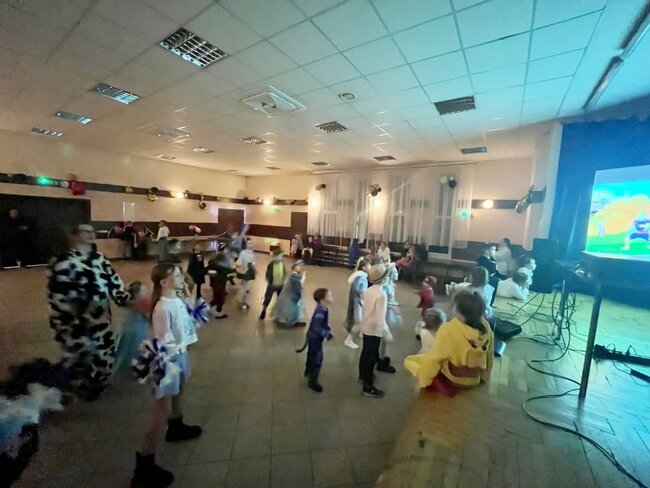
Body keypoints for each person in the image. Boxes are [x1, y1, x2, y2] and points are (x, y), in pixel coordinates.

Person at [131, 264, 202, 488]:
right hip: (169, 361)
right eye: (177, 275)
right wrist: (169, 369)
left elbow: (187, 318)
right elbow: (163, 342)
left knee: (180, 392)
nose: (182, 277)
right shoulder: (162, 308)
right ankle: (144, 467)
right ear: (163, 282)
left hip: (180, 355)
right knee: (160, 413)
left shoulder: (176, 300)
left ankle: (176, 426)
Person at [47, 224, 130, 400]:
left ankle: (96, 382)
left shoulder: (99, 258)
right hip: (74, 315)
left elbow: (114, 282)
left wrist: (126, 300)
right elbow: (57, 293)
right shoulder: (63, 262)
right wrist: (68, 317)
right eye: (86, 231)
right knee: (79, 351)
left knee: (104, 350)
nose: (91, 234)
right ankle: (75, 384)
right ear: (74, 235)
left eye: (93, 231)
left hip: (99, 313)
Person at [404, 292, 494, 396]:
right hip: (475, 379)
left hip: (454, 378)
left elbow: (434, 359)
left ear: (461, 315)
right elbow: (489, 355)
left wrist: (424, 381)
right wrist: (485, 377)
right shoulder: (486, 327)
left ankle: (436, 382)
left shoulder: (448, 330)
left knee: (410, 360)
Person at [358, 263, 394, 398]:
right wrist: (387, 332)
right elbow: (380, 318)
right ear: (383, 279)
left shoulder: (368, 291)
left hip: (366, 326)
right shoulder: (381, 295)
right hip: (374, 330)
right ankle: (368, 387)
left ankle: (362, 376)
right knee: (371, 357)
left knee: (365, 353)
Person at [296, 288, 334, 393]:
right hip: (315, 338)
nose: (332, 298)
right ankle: (312, 382)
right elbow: (317, 327)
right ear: (322, 300)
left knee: (311, 355)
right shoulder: (320, 311)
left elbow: (321, 324)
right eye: (329, 296)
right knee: (317, 359)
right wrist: (327, 334)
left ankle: (308, 371)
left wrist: (326, 327)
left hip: (313, 337)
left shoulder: (323, 308)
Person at [114, 281, 150, 375]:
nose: (146, 292)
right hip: (138, 330)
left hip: (126, 329)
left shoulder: (126, 302)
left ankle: (118, 367)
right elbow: (148, 317)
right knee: (136, 348)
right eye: (143, 291)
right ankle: (133, 368)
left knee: (123, 348)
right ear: (138, 294)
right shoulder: (142, 303)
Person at [344, 258, 370, 349]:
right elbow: (356, 288)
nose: (370, 267)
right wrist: (362, 294)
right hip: (357, 302)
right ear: (364, 267)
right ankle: (349, 339)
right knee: (358, 321)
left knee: (360, 318)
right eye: (368, 265)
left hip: (358, 301)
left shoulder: (361, 275)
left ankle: (359, 332)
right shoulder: (360, 276)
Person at [272, 260, 307, 327]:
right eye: (298, 266)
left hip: (287, 294)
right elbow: (297, 286)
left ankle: (284, 320)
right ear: (294, 267)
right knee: (291, 308)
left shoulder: (293, 275)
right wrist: (303, 278)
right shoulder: (294, 276)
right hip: (290, 296)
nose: (299, 268)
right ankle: (288, 322)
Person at [259, 248, 287, 320]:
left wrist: (284, 279)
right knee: (267, 298)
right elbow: (268, 274)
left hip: (280, 284)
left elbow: (284, 271)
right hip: (272, 284)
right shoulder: (271, 264)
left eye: (281, 256)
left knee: (280, 298)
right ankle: (264, 310)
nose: (281, 257)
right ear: (275, 256)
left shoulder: (282, 263)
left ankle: (278, 312)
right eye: (279, 256)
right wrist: (269, 281)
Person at [206, 252, 236, 319]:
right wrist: (234, 272)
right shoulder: (221, 269)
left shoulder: (212, 266)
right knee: (220, 299)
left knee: (216, 298)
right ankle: (219, 313)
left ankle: (208, 307)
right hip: (220, 285)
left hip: (215, 285)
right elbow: (227, 272)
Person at [235, 238, 256, 310]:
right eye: (248, 243)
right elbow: (238, 263)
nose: (250, 245)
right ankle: (241, 302)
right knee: (244, 287)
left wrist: (254, 269)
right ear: (246, 244)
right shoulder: (243, 253)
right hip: (244, 271)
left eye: (251, 243)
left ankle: (242, 301)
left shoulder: (251, 252)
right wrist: (236, 269)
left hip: (249, 271)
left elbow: (252, 262)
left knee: (246, 287)